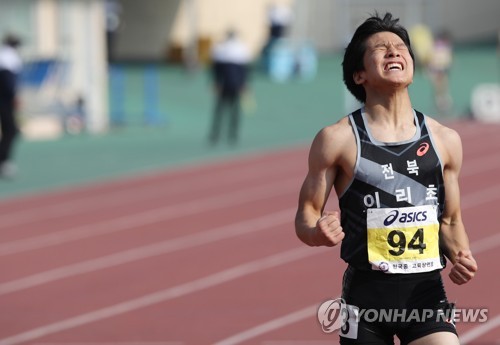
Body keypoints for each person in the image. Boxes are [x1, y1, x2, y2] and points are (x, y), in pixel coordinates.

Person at [295, 12, 477, 345]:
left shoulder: (444, 139)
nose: (394, 51)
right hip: (364, 300)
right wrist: (317, 232)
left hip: (425, 294)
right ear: (360, 74)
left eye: (400, 47)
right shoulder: (337, 139)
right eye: (381, 48)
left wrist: (461, 256)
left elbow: (450, 221)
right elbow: (307, 214)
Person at [208, 29, 250, 146]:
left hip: (229, 84)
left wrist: (216, 82)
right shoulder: (237, 48)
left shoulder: (226, 48)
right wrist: (243, 84)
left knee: (227, 111)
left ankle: (226, 134)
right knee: (225, 111)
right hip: (231, 84)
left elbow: (217, 69)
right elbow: (244, 70)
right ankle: (222, 134)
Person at [0, 34, 23, 178]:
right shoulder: (9, 57)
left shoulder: (5, 54)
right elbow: (8, 81)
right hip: (4, 100)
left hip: (4, 98)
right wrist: (14, 97)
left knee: (11, 130)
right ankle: (3, 161)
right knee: (11, 130)